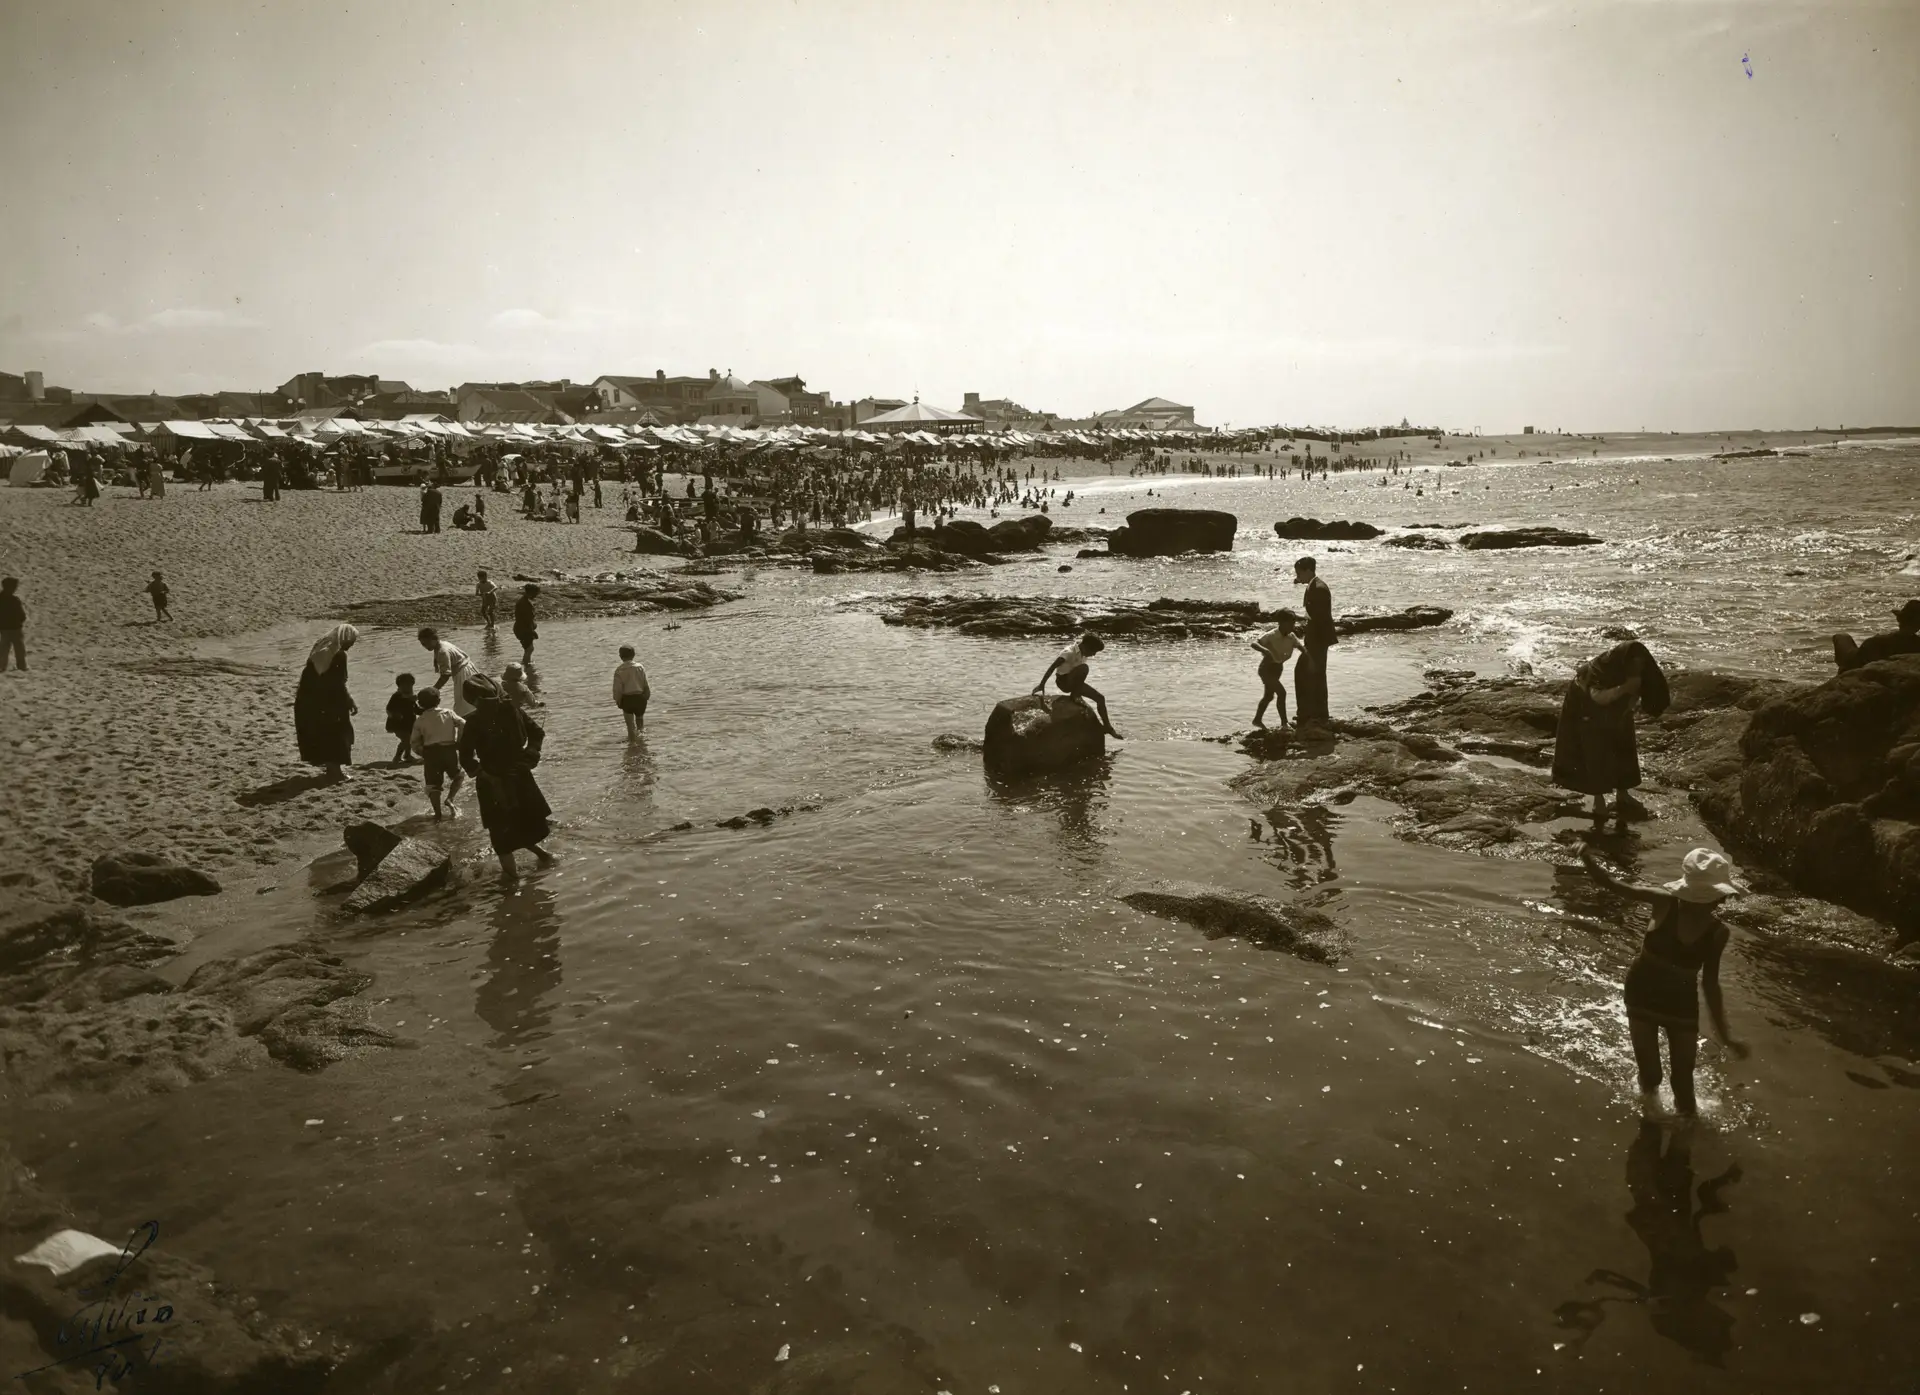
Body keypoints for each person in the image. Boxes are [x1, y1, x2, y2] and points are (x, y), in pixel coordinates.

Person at [1580, 846, 1746, 1120]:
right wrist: (1586, 856)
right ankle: (1648, 1124)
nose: (1718, 903)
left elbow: (1710, 985)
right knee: (1652, 1076)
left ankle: (1686, 1143)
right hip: (1642, 992)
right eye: (1715, 896)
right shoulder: (1663, 902)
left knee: (1683, 1083)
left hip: (1681, 1002)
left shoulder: (1719, 933)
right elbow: (1612, 885)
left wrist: (1725, 1036)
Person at [1552, 640, 1671, 830]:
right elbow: (1598, 697)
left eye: (1641, 662)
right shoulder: (1596, 671)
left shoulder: (1637, 668)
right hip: (1586, 708)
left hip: (1615, 707)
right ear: (1624, 660)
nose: (1638, 665)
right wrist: (1624, 689)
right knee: (1595, 750)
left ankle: (1623, 793)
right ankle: (1598, 800)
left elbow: (1639, 690)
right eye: (1635, 662)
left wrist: (1629, 708)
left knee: (1624, 745)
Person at [458, 673, 555, 880]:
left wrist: (479, 771)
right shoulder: (513, 710)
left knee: (500, 833)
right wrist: (531, 754)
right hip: (519, 774)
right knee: (521, 822)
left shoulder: (473, 721)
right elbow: (537, 733)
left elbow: (465, 756)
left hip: (493, 781)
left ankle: (512, 882)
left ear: (471, 699)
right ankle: (542, 855)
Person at [295, 624, 359, 780]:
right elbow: (337, 683)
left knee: (322, 731)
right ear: (344, 639)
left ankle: (330, 768)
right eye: (351, 642)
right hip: (329, 700)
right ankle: (335, 772)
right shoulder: (338, 655)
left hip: (309, 699)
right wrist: (349, 701)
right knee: (337, 732)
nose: (351, 646)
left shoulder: (321, 650)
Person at [1033, 632, 1124, 739]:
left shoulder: (1082, 652)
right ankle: (1075, 695)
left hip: (1075, 682)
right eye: (1093, 651)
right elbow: (1053, 666)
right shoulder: (1069, 652)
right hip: (1064, 682)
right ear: (1085, 647)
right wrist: (1042, 684)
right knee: (1084, 668)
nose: (1094, 655)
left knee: (1100, 698)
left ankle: (1108, 727)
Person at [411, 687, 466, 818]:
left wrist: (421, 752)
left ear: (420, 704)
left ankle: (438, 814)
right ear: (439, 700)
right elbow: (463, 723)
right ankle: (450, 799)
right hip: (449, 750)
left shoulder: (420, 720)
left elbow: (414, 742)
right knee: (459, 775)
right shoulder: (448, 713)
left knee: (433, 785)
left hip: (431, 753)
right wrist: (459, 741)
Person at [1291, 557, 1335, 724]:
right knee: (1315, 675)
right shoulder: (1314, 586)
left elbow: (1319, 617)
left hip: (1318, 638)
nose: (1297, 577)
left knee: (1304, 673)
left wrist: (1297, 617)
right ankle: (1317, 713)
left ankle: (1308, 713)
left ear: (1308, 570)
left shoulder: (1319, 588)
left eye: (1299, 573)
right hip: (1316, 637)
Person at [1833, 599, 1920, 671]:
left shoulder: (1876, 642)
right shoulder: (1917, 645)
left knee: (1841, 637)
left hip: (1855, 660)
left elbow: (1857, 662)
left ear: (1900, 620)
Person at [1251, 609, 1301, 729]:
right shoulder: (1272, 635)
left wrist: (1308, 657)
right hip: (1266, 668)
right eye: (1290, 623)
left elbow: (1300, 647)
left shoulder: (1291, 637)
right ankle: (1284, 723)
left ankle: (1257, 720)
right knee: (1282, 693)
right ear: (1281, 623)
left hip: (1278, 668)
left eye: (1293, 623)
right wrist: (1265, 650)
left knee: (1269, 696)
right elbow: (1254, 644)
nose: (1292, 626)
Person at [417, 627, 477, 717]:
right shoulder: (442, 644)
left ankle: (466, 724)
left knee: (464, 705)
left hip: (463, 673)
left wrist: (434, 689)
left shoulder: (442, 651)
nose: (425, 646)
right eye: (423, 644)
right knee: (470, 701)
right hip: (467, 669)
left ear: (434, 638)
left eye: (426, 643)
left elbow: (445, 675)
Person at [613, 645, 650, 737]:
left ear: (620, 656)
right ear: (633, 655)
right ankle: (642, 742)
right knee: (640, 724)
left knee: (630, 727)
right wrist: (646, 696)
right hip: (640, 697)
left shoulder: (619, 670)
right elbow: (645, 683)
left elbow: (617, 689)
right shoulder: (640, 667)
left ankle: (632, 744)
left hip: (627, 699)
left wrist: (618, 700)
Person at [386, 672, 419, 765]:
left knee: (408, 740)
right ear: (399, 686)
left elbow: (416, 709)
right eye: (405, 685)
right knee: (406, 740)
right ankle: (397, 757)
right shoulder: (396, 696)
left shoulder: (412, 697)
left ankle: (407, 755)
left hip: (409, 723)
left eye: (410, 685)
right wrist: (395, 715)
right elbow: (389, 709)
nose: (408, 687)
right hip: (398, 724)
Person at [0, 578, 25, 672]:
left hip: (4, 628)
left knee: (4, 648)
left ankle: (2, 666)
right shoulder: (14, 600)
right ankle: (21, 666)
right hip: (15, 627)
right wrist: (20, 621)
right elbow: (22, 614)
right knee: (19, 648)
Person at [513, 584, 540, 666]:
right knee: (529, 649)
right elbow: (527, 620)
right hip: (524, 629)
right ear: (531, 592)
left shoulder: (524, 601)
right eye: (536, 593)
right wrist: (532, 631)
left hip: (522, 628)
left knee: (528, 649)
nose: (536, 596)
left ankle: (527, 665)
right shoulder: (525, 604)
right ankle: (526, 667)